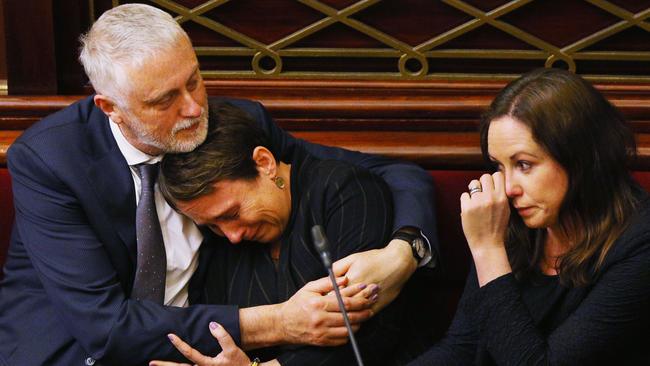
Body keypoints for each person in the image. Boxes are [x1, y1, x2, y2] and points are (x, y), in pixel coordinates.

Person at [0, 4, 437, 366]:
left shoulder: (226, 126)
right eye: (165, 100)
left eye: (193, 81)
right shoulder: (50, 161)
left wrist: (403, 252)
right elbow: (105, 328)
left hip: (196, 350)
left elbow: (391, 173)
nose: (192, 108)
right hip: (71, 352)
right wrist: (280, 321)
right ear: (110, 107)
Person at [410, 68, 650, 365]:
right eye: (499, 166)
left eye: (524, 164)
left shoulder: (640, 244)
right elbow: (462, 346)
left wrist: (488, 250)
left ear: (581, 159)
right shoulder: (511, 223)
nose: (508, 188)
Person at [149, 101, 402, 365]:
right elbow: (219, 342)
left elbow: (365, 333)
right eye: (212, 225)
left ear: (264, 163)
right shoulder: (220, 242)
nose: (232, 235)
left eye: (232, 214)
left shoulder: (344, 191)